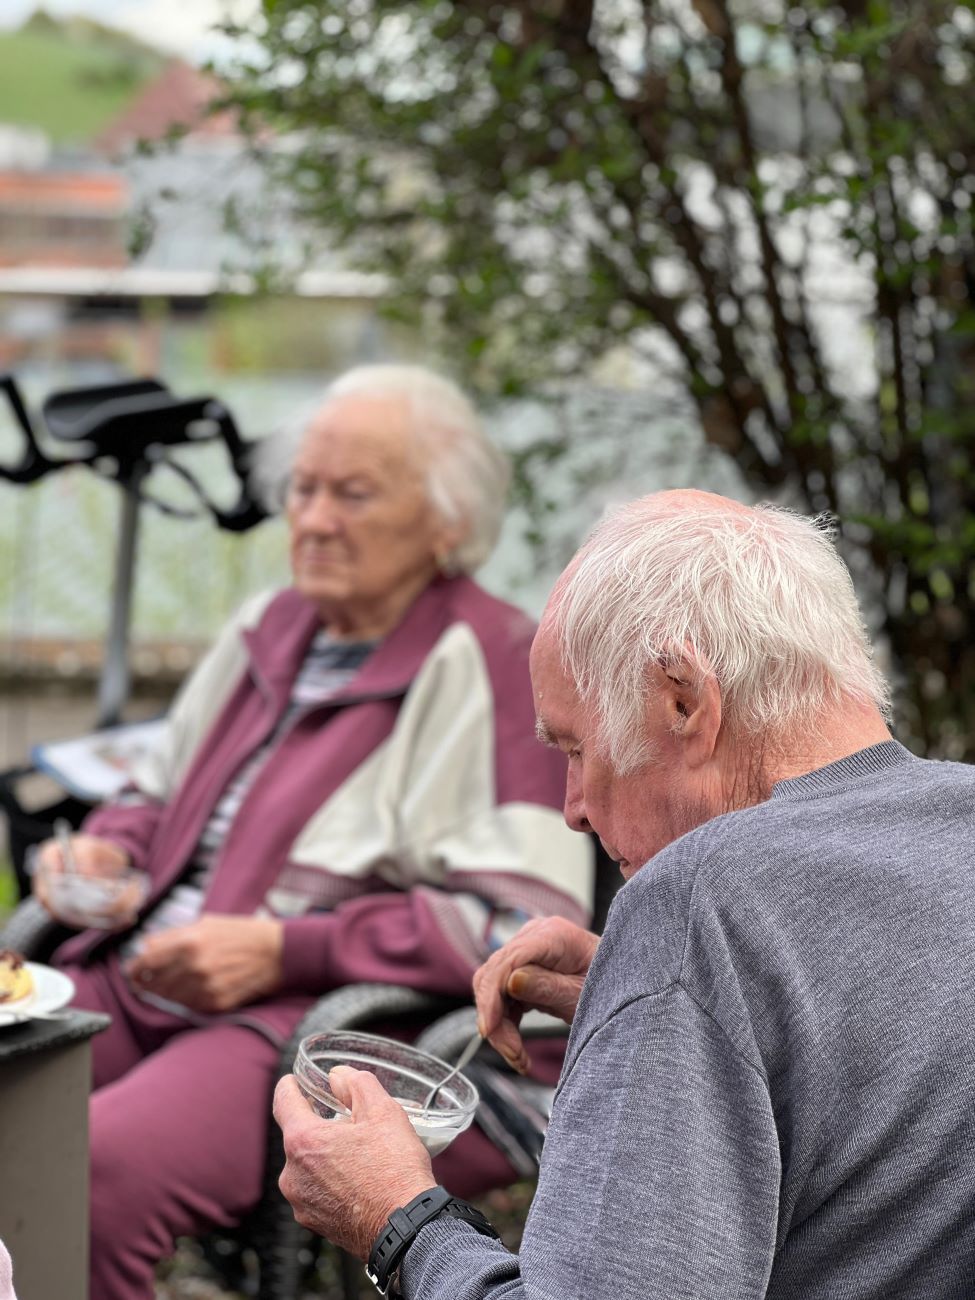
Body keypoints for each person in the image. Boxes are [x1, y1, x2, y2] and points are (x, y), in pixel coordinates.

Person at [273, 488, 975, 1299]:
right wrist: (653, 1003)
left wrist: (397, 1220)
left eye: (574, 747)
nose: (570, 807)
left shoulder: (696, 905)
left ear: (683, 700)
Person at [30, 364, 594, 1300]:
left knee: (98, 1174)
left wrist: (283, 948)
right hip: (147, 972)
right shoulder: (271, 623)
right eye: (303, 488)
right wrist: (113, 850)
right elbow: (156, 789)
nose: (316, 518)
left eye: (354, 493)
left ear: (448, 520)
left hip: (310, 1025)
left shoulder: (495, 659)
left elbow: (517, 930)